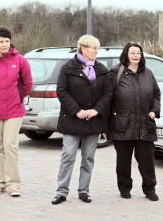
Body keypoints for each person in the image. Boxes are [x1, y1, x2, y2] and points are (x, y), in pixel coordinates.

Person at [52, 35, 113, 205]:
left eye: (97, 48)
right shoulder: (67, 68)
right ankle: (61, 191)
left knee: (88, 158)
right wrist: (77, 111)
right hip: (72, 120)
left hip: (93, 121)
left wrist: (96, 110)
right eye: (93, 48)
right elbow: (62, 91)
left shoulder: (101, 69)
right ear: (83, 48)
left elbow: (108, 93)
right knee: (68, 155)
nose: (96, 51)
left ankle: (84, 191)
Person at [0, 26, 33, 197]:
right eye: (0, 41)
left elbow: (28, 84)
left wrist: (17, 97)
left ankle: (14, 184)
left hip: (15, 110)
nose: (4, 44)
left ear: (11, 42)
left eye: (7, 41)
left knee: (10, 145)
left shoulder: (20, 60)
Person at [108, 42, 161, 201]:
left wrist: (155, 110)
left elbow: (156, 95)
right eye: (132, 52)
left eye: (138, 52)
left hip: (145, 125)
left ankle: (150, 189)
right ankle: (124, 188)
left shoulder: (148, 73)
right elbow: (107, 98)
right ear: (126, 54)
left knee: (147, 161)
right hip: (122, 125)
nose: (136, 55)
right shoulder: (116, 73)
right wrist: (106, 124)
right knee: (123, 161)